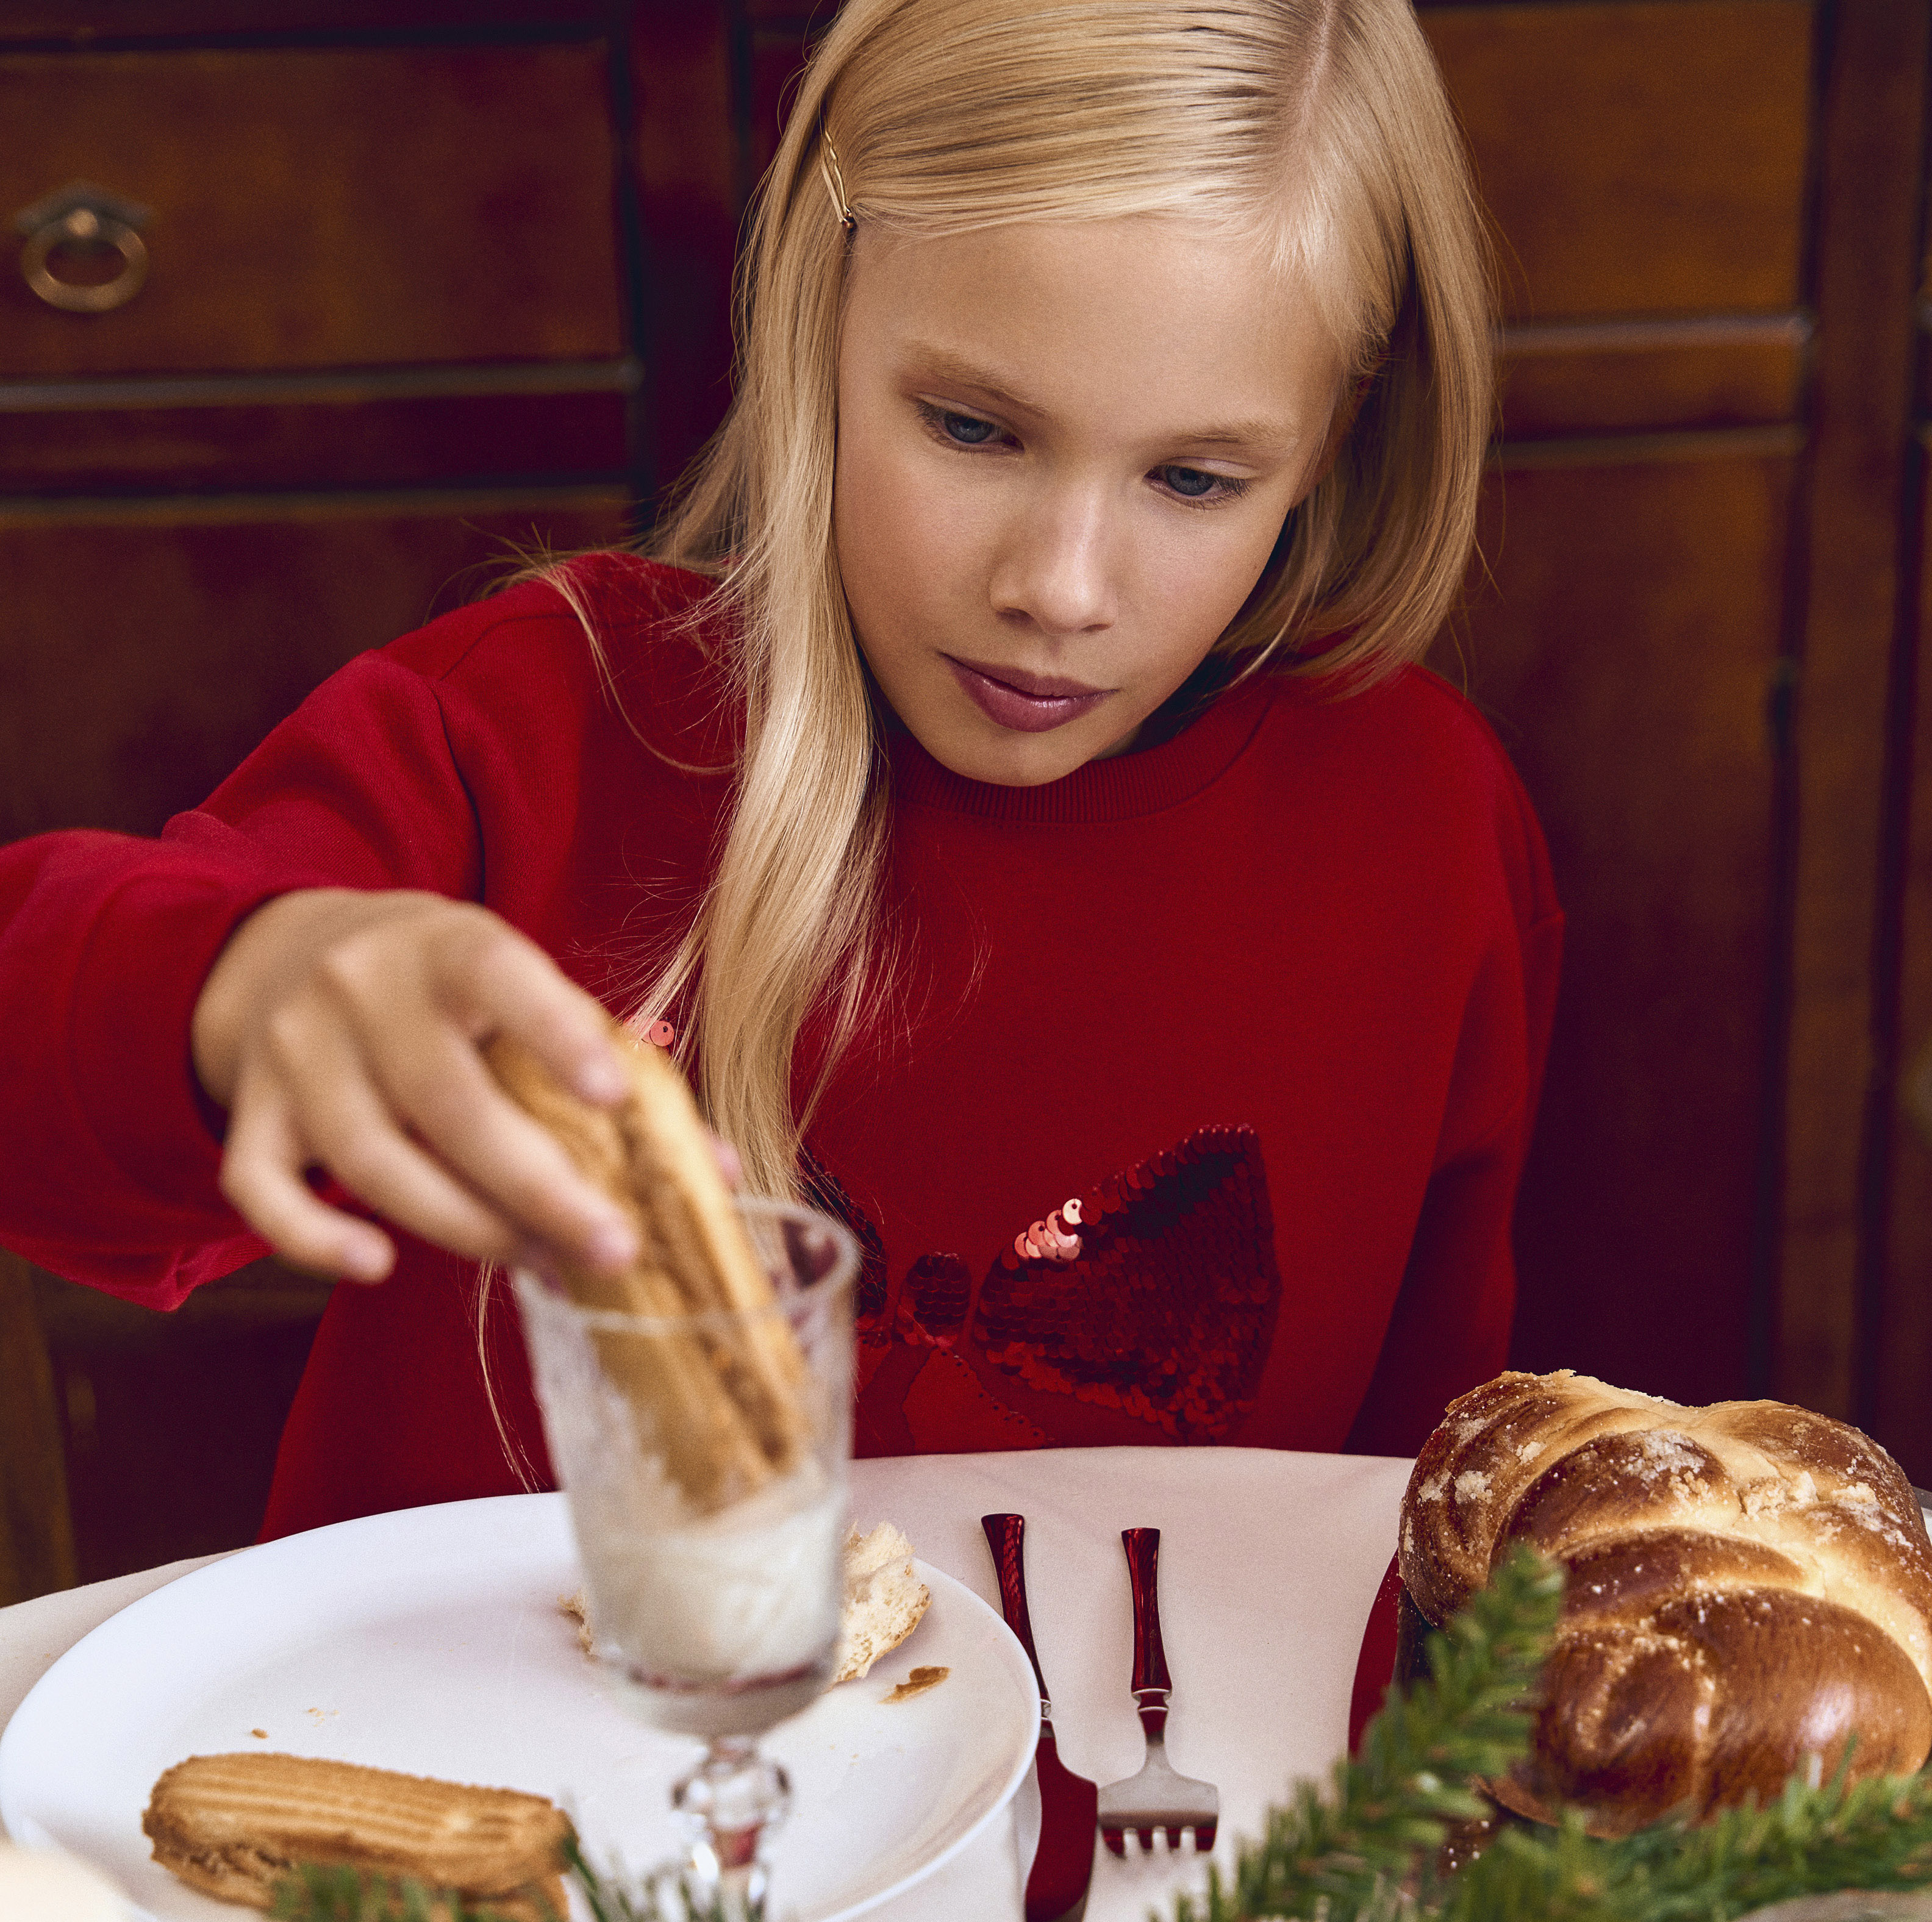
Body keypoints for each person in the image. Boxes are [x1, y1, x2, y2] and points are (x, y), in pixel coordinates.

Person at [0, 0, 1560, 1540]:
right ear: (816, 315)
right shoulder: (530, 730)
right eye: (974, 429)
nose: (1060, 587)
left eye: (1195, 479)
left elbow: (1423, 1530)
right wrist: (252, 986)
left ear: (1333, 438)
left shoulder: (1423, 826)